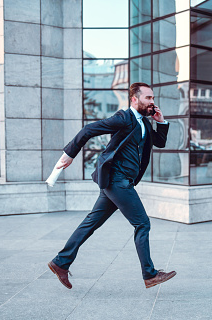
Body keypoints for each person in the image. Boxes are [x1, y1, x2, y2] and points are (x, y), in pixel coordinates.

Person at [48, 82, 176, 289]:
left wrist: (161, 122)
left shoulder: (144, 122)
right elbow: (89, 129)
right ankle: (150, 274)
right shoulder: (124, 118)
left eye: (153, 98)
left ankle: (61, 262)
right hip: (118, 181)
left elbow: (159, 143)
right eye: (148, 98)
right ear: (134, 99)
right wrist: (70, 154)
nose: (152, 102)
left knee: (91, 223)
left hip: (117, 183)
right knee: (142, 224)